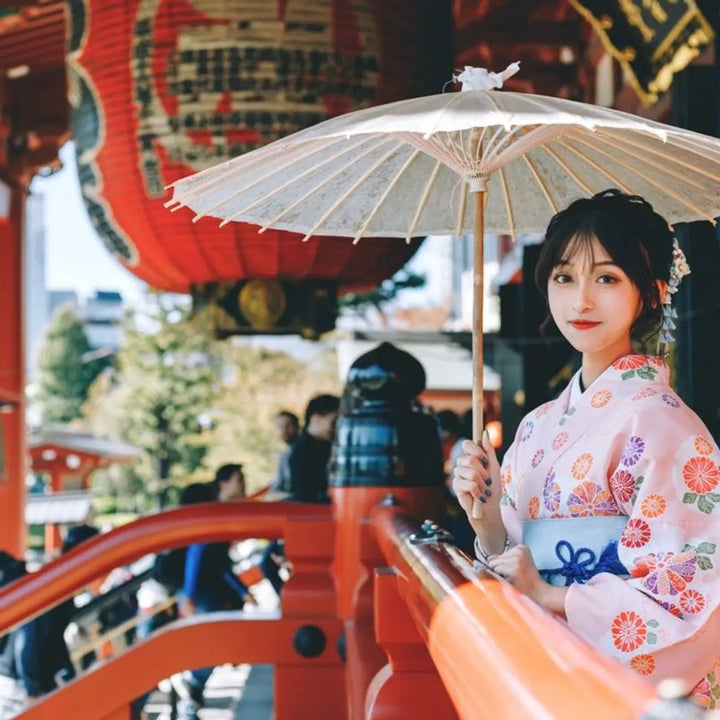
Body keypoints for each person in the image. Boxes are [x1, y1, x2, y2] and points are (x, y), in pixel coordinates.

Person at [452, 189, 720, 708]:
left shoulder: (663, 424)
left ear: (653, 291)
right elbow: (513, 558)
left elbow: (693, 590)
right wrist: (486, 520)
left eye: (607, 278)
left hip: (615, 687)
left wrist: (552, 595)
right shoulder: (534, 426)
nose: (581, 300)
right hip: (546, 664)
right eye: (564, 277)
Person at [174, 465, 254, 720]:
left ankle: (191, 699)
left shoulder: (222, 512)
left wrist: (242, 590)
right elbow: (196, 553)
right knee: (214, 644)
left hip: (211, 588)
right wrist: (188, 594)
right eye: (238, 480)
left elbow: (221, 562)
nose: (243, 485)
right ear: (223, 484)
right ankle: (191, 688)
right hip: (202, 590)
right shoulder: (211, 510)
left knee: (216, 644)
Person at [0, 524, 99, 717]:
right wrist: (32, 690)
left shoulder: (57, 578)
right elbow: (27, 637)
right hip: (18, 682)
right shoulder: (57, 584)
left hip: (19, 677)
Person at [271, 410, 300, 494]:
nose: (284, 430)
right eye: (280, 426)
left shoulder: (300, 452)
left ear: (297, 427)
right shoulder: (285, 454)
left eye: (288, 426)